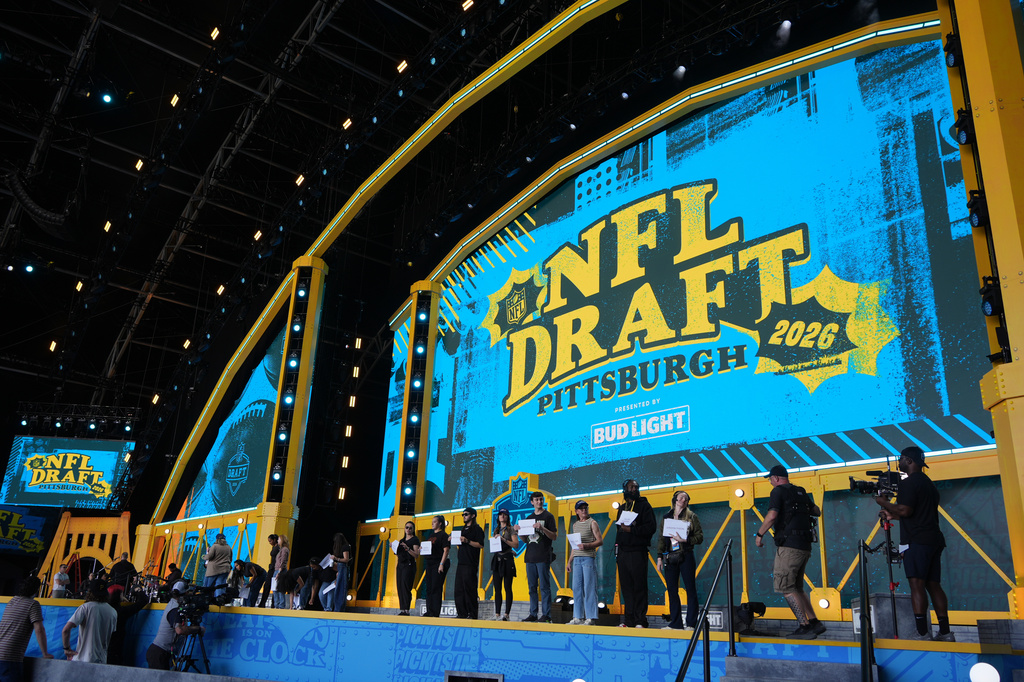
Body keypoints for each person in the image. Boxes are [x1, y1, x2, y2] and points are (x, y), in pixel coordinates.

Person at [875, 446, 955, 641]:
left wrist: (883, 502)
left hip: (917, 541)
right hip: (933, 539)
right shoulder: (928, 484)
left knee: (916, 584)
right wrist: (892, 515)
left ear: (909, 461)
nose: (899, 462)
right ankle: (945, 632)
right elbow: (916, 514)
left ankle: (921, 633)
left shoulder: (908, 483)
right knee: (933, 585)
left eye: (901, 458)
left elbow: (905, 510)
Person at [755, 464, 826, 639]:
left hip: (789, 547)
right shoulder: (800, 491)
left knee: (785, 587)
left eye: (770, 479)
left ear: (776, 478)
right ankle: (814, 622)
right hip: (804, 547)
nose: (770, 482)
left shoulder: (777, 492)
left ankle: (804, 625)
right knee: (797, 587)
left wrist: (759, 534)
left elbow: (772, 516)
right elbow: (816, 511)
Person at [657, 490, 704, 630]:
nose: (683, 499)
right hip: (670, 556)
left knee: (690, 589)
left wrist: (685, 539)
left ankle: (691, 623)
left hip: (686, 555)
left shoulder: (692, 516)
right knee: (672, 590)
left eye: (686, 498)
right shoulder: (667, 517)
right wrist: (659, 557)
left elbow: (700, 537)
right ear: (675, 499)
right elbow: (661, 538)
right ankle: (676, 623)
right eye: (681, 497)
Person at [615, 479, 657, 628]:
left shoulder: (644, 506)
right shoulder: (622, 508)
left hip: (638, 551)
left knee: (639, 586)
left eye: (636, 487)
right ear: (625, 489)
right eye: (631, 487)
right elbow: (619, 530)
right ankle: (629, 620)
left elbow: (651, 528)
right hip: (623, 553)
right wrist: (617, 551)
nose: (634, 489)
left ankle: (640, 620)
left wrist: (632, 530)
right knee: (626, 587)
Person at [0, 576, 53, 679]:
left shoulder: (12, 601)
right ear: (36, 590)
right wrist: (45, 653)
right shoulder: (33, 604)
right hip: (10, 657)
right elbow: (39, 629)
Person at [517, 491, 557, 623]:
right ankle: (533, 614)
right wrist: (519, 532)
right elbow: (526, 540)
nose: (539, 502)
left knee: (544, 587)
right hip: (530, 557)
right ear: (532, 502)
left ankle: (546, 615)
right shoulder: (528, 518)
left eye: (541, 499)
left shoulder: (548, 516)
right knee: (532, 588)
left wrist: (542, 528)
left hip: (543, 556)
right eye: (536, 500)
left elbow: (554, 536)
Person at [146, 581, 204, 670]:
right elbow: (179, 630)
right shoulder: (174, 609)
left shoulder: (173, 604)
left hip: (162, 652)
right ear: (185, 594)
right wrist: (197, 629)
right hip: (159, 653)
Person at [61, 580, 118, 663]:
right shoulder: (113, 611)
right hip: (101, 661)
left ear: (90, 592)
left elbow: (65, 630)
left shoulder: (85, 607)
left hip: (82, 659)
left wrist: (67, 649)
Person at [567, 500, 603, 625]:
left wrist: (586, 545)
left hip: (588, 558)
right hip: (577, 559)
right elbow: (574, 545)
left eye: (585, 508)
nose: (584, 510)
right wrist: (569, 561)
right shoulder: (575, 525)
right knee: (577, 588)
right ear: (576, 511)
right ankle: (578, 616)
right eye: (581, 508)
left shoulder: (592, 523)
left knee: (589, 587)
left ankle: (591, 617)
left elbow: (600, 541)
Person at [454, 507, 485, 619]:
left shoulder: (477, 529)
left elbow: (480, 545)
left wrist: (468, 541)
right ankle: (461, 613)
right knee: (459, 589)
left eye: (466, 514)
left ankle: (472, 613)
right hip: (461, 562)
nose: (464, 516)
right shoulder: (463, 529)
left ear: (473, 515)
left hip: (470, 562)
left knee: (469, 588)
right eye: (463, 514)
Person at [491, 508, 519, 621]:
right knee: (497, 588)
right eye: (500, 514)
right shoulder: (496, 529)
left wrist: (504, 540)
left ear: (508, 517)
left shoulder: (510, 529)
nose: (502, 516)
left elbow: (516, 544)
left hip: (507, 560)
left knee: (507, 587)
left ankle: (506, 614)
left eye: (504, 514)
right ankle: (497, 613)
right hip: (497, 559)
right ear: (498, 517)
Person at [422, 515, 451, 617]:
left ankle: (435, 612)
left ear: (440, 523)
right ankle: (429, 610)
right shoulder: (431, 535)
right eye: (432, 521)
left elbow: (446, 550)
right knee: (429, 588)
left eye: (435, 521)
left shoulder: (443, 535)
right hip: (430, 563)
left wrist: (441, 564)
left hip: (438, 562)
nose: (432, 523)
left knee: (436, 587)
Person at [396, 522, 421, 616]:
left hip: (409, 565)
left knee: (406, 586)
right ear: (404, 528)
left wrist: (407, 548)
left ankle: (406, 609)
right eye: (407, 527)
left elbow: (416, 555)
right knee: (400, 586)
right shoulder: (401, 540)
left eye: (410, 528)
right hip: (400, 565)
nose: (408, 529)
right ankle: (402, 608)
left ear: (413, 529)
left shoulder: (415, 540)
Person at [204, 533, 232, 598]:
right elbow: (230, 558)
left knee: (208, 586)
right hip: (225, 569)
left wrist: (204, 557)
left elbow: (209, 556)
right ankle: (219, 598)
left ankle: (207, 598)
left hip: (213, 570)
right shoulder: (228, 547)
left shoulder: (215, 546)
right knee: (220, 585)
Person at [330, 533, 351, 612]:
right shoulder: (342, 547)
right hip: (340, 567)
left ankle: (339, 609)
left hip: (343, 566)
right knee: (338, 587)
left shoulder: (345, 547)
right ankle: (338, 608)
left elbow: (346, 559)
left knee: (341, 588)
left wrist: (336, 558)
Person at [259, 534, 279, 607]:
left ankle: (273, 604)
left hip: (275, 568)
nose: (270, 543)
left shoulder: (279, 547)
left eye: (270, 541)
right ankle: (263, 603)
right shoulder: (274, 547)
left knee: (274, 586)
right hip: (272, 568)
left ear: (274, 540)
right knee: (267, 585)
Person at [272, 535, 291, 608]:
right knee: (275, 589)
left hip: (280, 571)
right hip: (277, 570)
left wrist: (279, 572)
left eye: (279, 539)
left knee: (280, 589)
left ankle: (281, 606)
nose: (277, 541)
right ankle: (277, 605)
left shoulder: (285, 549)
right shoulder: (281, 549)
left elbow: (283, 561)